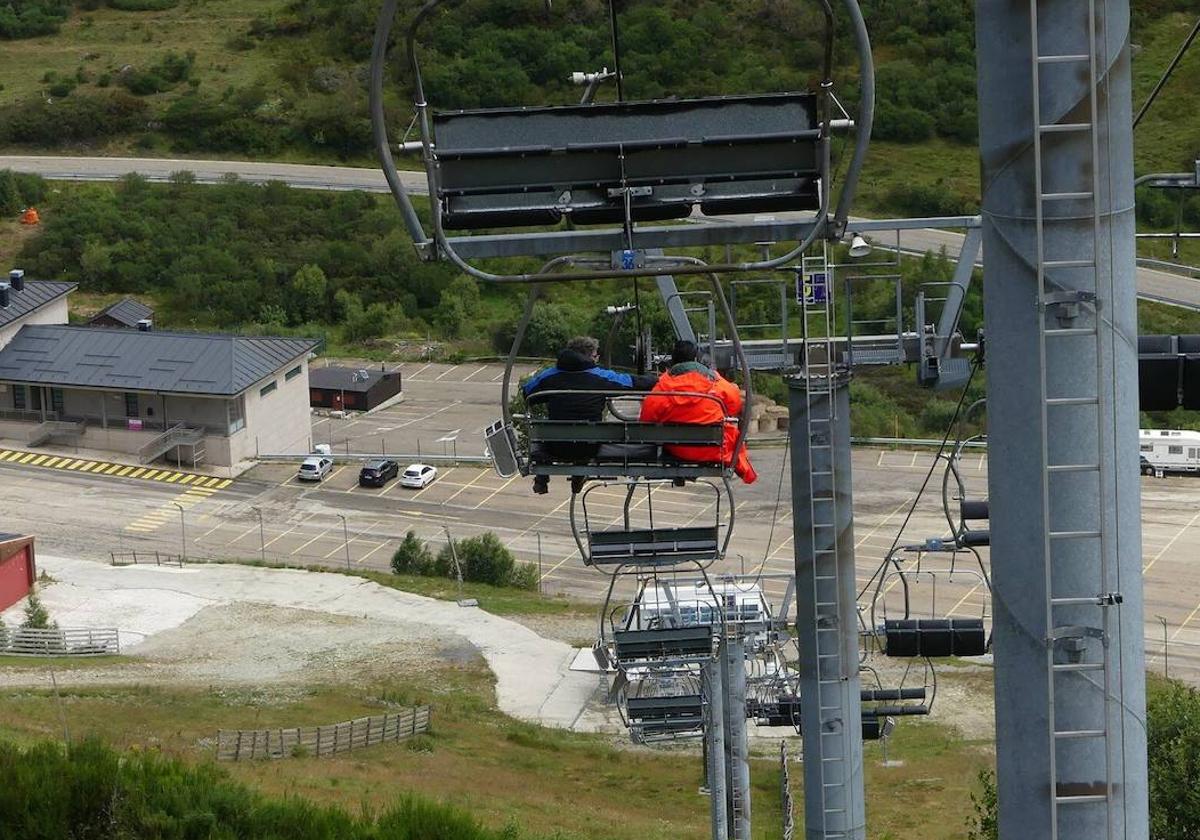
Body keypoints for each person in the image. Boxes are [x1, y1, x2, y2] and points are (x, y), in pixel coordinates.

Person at [522, 336, 657, 494]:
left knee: (543, 431)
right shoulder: (600, 376)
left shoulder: (550, 376)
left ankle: (542, 475)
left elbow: (528, 391)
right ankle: (580, 471)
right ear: (588, 356)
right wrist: (656, 378)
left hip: (556, 445)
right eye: (595, 356)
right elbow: (633, 382)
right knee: (588, 434)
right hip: (589, 446)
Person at [639, 340, 757, 484]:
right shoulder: (715, 383)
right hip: (715, 449)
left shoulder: (662, 389)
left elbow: (646, 419)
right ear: (698, 359)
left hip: (678, 450)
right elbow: (734, 405)